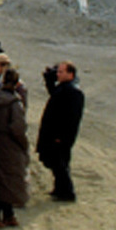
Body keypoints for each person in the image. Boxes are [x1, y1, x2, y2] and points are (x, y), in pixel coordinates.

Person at [0, 68, 29, 228]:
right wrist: (24, 144)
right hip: (9, 144)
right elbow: (18, 128)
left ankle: (5, 213)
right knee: (9, 178)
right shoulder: (15, 103)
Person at [36, 61, 84, 202]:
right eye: (58, 72)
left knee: (60, 163)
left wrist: (62, 137)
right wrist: (49, 77)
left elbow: (72, 119)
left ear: (71, 74)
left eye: (61, 72)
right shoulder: (64, 88)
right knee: (55, 162)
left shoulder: (74, 92)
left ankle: (67, 192)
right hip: (53, 134)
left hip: (60, 136)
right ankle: (59, 189)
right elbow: (53, 92)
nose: (58, 74)